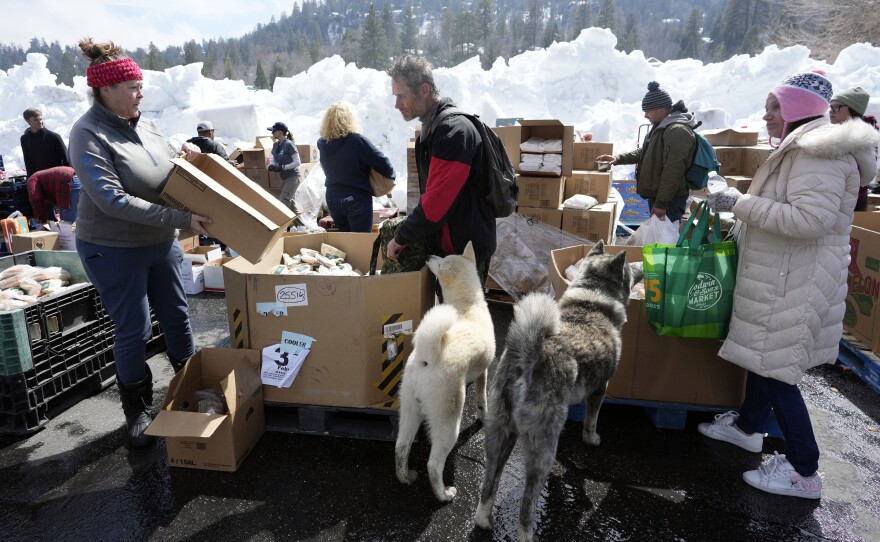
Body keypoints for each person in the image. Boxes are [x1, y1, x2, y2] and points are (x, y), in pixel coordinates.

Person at [699, 71, 880, 499]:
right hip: (783, 272)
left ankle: (804, 471)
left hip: (795, 279)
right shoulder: (802, 148)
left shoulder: (818, 152)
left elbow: (807, 220)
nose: (766, 116)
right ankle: (747, 428)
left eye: (776, 107)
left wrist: (738, 203)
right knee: (767, 358)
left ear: (799, 109)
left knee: (778, 372)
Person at [68, 38, 212, 448]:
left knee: (177, 315)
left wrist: (182, 153)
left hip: (159, 240)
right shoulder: (87, 133)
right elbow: (112, 199)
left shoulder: (145, 124)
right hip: (112, 246)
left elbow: (162, 163)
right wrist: (182, 219)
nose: (140, 92)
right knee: (135, 328)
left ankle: (190, 388)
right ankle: (136, 408)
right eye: (131, 87)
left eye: (139, 85)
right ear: (105, 91)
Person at [385, 54, 496, 286]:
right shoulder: (434, 127)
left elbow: (436, 203)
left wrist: (401, 238)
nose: (396, 104)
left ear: (424, 89)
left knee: (464, 320)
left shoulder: (452, 132)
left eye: (401, 96)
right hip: (452, 244)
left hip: (465, 251)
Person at [596, 81, 697, 224]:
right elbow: (645, 152)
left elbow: (673, 170)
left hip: (670, 200)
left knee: (666, 240)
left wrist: (662, 203)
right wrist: (617, 159)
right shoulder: (661, 127)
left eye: (648, 111)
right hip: (661, 196)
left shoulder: (677, 131)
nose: (645, 116)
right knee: (659, 239)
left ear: (660, 110)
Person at [317, 101, 396, 232]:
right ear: (349, 119)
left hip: (332, 198)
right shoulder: (356, 141)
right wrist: (389, 177)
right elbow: (382, 162)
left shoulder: (322, 143)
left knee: (346, 243)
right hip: (355, 198)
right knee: (361, 242)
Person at [829, 86, 878, 211]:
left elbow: (865, 175)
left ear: (853, 109)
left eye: (837, 106)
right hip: (836, 199)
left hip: (850, 203)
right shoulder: (836, 132)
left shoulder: (862, 138)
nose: (831, 111)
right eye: (831, 106)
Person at [20, 108, 69, 177]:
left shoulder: (54, 137)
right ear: (28, 121)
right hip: (39, 180)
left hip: (57, 178)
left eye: (41, 119)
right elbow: (28, 161)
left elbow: (66, 159)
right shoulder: (25, 139)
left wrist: (66, 177)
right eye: (35, 120)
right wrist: (30, 179)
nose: (40, 122)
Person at [266, 121, 301, 216]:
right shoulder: (276, 145)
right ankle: (302, 226)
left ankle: (280, 226)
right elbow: (272, 157)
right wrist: (272, 165)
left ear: (280, 132)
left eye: (273, 131)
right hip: (283, 178)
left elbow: (297, 162)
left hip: (293, 177)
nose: (272, 133)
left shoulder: (289, 144)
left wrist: (282, 167)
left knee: (283, 202)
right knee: (291, 206)